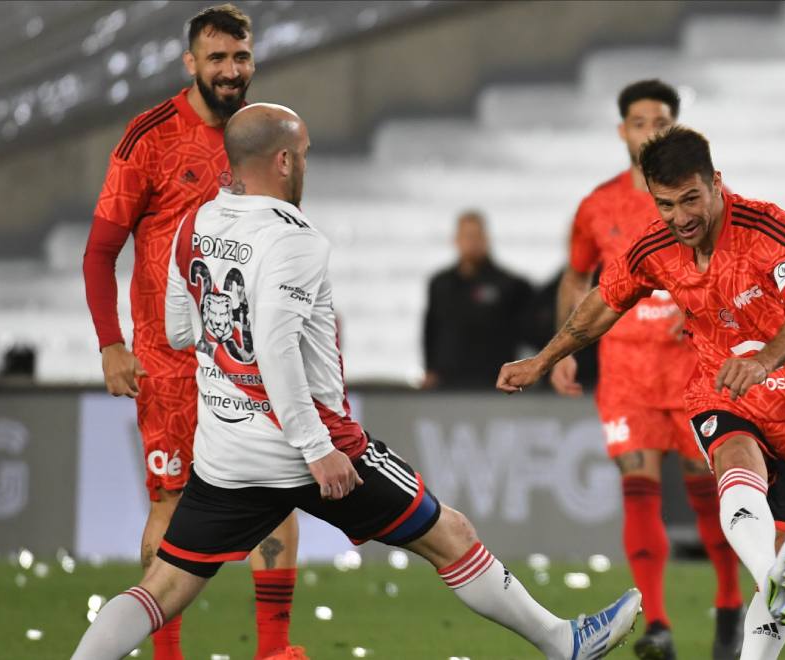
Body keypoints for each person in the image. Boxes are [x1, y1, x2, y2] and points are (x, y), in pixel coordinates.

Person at [72, 103, 643, 660]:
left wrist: (229, 346)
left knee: (164, 587)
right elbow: (274, 347)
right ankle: (563, 643)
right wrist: (317, 449)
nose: (305, 165)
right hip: (313, 445)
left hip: (227, 451)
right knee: (450, 534)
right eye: (303, 154)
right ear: (283, 163)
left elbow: (177, 330)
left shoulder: (195, 221)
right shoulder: (296, 239)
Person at [498, 126, 785, 660]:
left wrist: (763, 360)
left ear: (716, 183)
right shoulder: (655, 246)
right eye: (666, 204)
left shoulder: (769, 226)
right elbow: (604, 301)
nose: (680, 216)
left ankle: (771, 589)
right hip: (724, 389)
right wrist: (544, 359)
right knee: (736, 458)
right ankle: (770, 572)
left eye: (691, 199)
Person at [81, 5, 302, 658]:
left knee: (277, 493)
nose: (231, 71)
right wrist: (111, 343)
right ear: (191, 63)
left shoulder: (263, 136)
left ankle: (274, 650)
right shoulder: (149, 136)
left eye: (240, 58)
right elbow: (99, 251)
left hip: (246, 358)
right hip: (169, 362)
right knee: (173, 503)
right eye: (217, 59)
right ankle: (167, 653)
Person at [552, 79, 743, 660]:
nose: (649, 131)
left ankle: (731, 606)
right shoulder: (597, 205)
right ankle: (656, 625)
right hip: (627, 369)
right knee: (638, 492)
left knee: (707, 495)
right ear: (622, 132)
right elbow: (576, 277)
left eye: (660, 121)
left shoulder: (706, 197)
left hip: (694, 367)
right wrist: (564, 349)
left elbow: (737, 263)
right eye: (639, 122)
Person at [422, 211, 534, 389]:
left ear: (486, 239)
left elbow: (530, 330)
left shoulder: (511, 285)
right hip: (448, 382)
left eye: (476, 236)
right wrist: (429, 369)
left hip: (493, 382)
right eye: (466, 236)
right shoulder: (440, 284)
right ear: (456, 240)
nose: (471, 242)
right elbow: (430, 329)